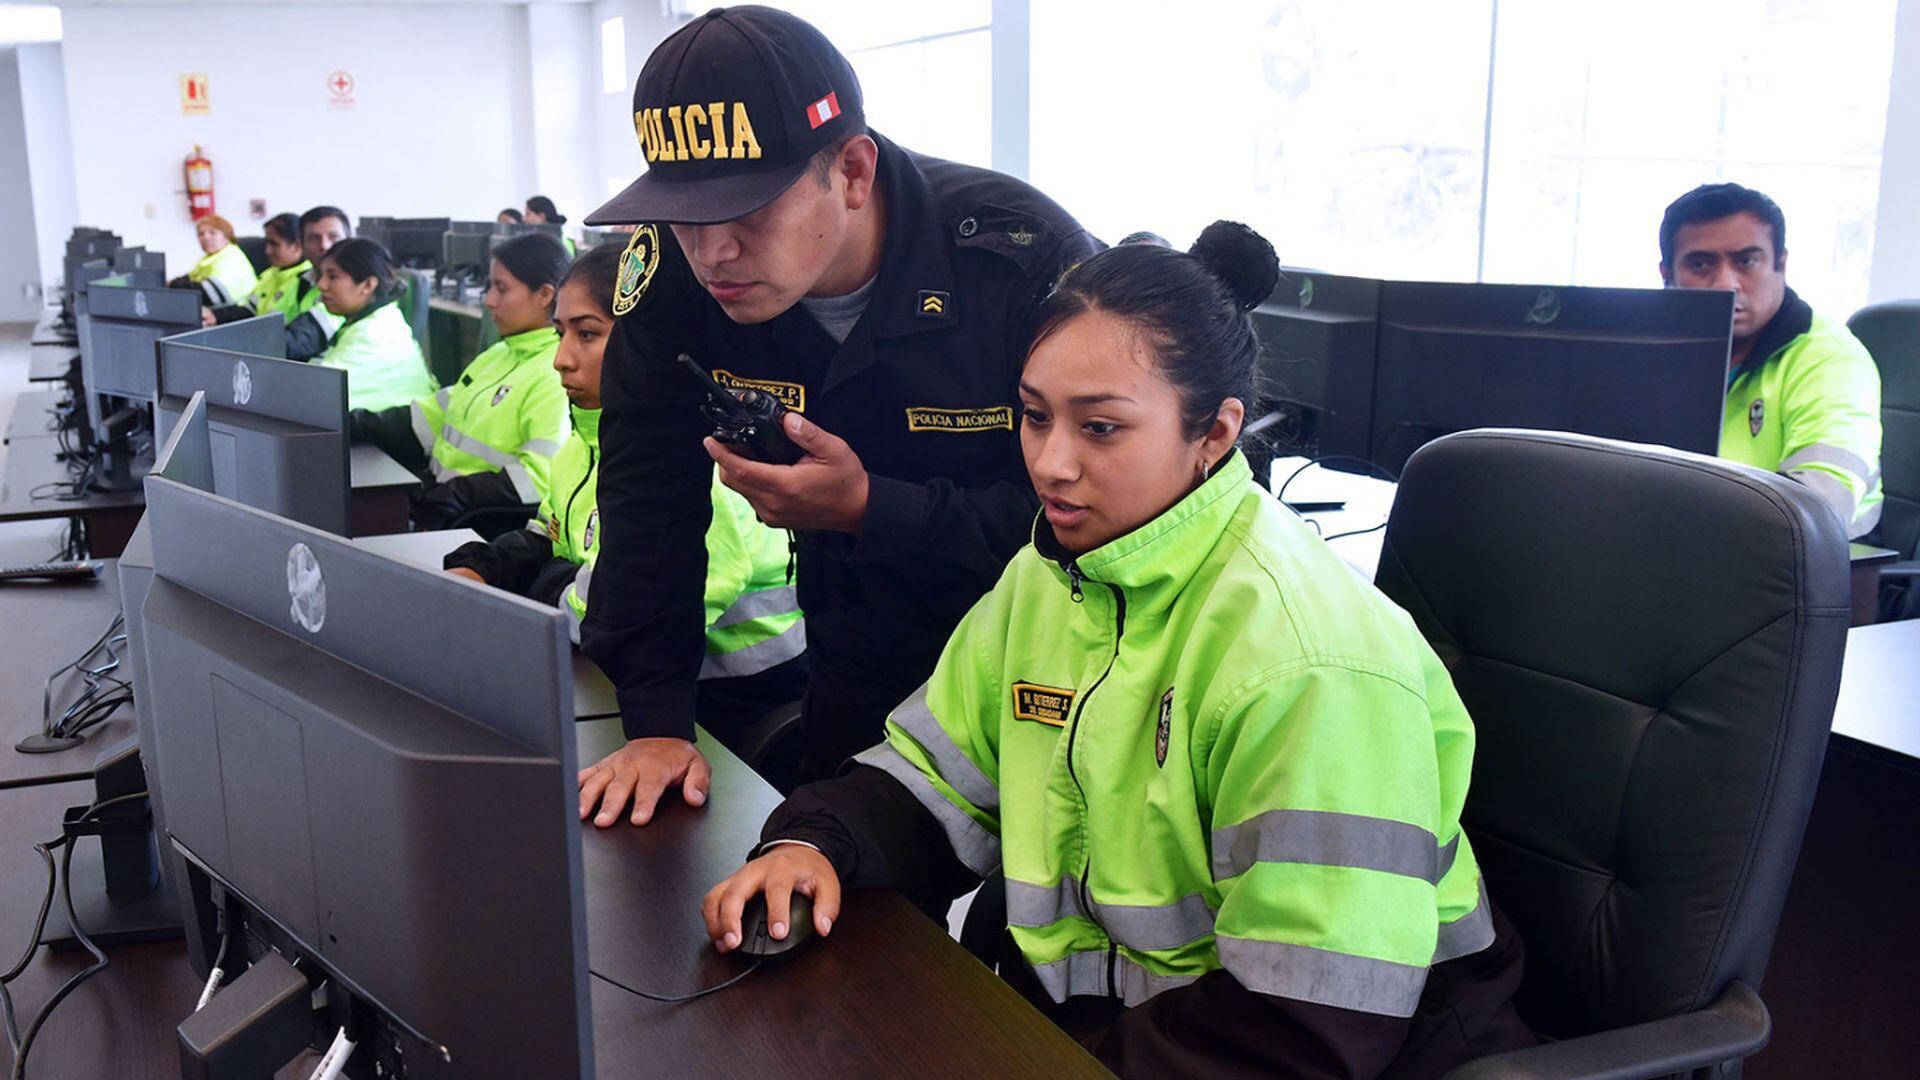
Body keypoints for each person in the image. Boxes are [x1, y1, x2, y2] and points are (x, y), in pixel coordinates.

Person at [702, 224, 1535, 1077]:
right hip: (1117, 1032)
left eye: (1100, 428)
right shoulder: (1054, 572)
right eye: (1033, 417)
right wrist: (815, 844)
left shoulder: (1306, 656)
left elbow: (1309, 1017)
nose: (1051, 463)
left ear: (1213, 434)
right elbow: (937, 776)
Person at [577, 6, 1098, 826]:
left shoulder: (1019, 265)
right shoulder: (672, 274)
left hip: (1048, 662)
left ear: (852, 173)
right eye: (685, 214)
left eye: (747, 211)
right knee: (835, 881)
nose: (712, 252)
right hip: (850, 641)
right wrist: (656, 724)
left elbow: (1106, 521)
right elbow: (648, 501)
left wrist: (871, 509)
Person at [444, 242, 808, 748]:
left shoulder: (693, 459)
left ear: (648, 341)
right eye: (559, 333)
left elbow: (630, 610)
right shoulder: (583, 443)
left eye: (587, 334)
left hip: (726, 701)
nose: (560, 360)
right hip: (629, 683)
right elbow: (547, 537)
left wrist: (541, 589)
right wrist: (483, 564)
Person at [1660, 182, 1883, 538]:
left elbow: (1819, 512)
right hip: (1681, 551)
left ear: (1780, 264)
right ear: (1667, 275)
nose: (1725, 285)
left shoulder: (1830, 358)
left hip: (1812, 571)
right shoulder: (1648, 349)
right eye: (1700, 264)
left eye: (1746, 261)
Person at [353, 233, 573, 530]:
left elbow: (540, 477)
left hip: (480, 524)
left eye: (502, 289)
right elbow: (429, 417)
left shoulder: (555, 372)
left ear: (545, 295)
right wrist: (355, 425)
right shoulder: (498, 354)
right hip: (442, 505)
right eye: (489, 287)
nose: (489, 301)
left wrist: (456, 493)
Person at [311, 238, 435, 411]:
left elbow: (312, 393)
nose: (321, 285)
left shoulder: (374, 334)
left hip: (390, 434)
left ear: (368, 285)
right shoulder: (375, 319)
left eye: (332, 276)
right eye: (321, 275)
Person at [205, 212, 307, 326]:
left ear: (297, 246)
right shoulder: (270, 274)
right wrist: (215, 315)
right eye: (267, 243)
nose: (267, 251)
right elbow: (250, 310)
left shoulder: (307, 281)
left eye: (274, 244)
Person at [286, 205, 353, 360]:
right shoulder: (300, 280)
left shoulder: (353, 288)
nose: (324, 246)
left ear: (349, 239)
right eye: (314, 239)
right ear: (301, 245)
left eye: (333, 237)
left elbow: (294, 344)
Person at [183, 214, 258, 308]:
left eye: (212, 233)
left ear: (226, 237)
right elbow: (191, 277)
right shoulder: (210, 258)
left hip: (238, 314)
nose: (206, 237)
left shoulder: (232, 258)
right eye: (201, 234)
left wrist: (176, 286)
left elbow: (210, 293)